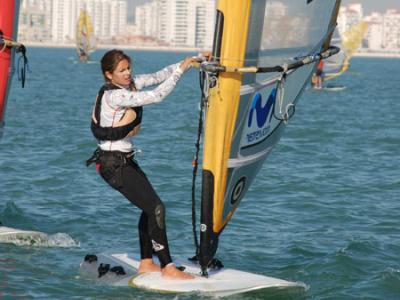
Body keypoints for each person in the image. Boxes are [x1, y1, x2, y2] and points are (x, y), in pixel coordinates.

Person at [87, 49, 207, 280]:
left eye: (128, 68)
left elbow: (157, 76)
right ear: (109, 74)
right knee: (157, 208)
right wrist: (181, 72)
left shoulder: (128, 85)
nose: (128, 73)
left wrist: (189, 62)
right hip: (114, 166)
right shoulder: (115, 96)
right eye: (122, 70)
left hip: (124, 161)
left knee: (150, 208)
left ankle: (145, 262)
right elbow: (156, 96)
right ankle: (168, 267)